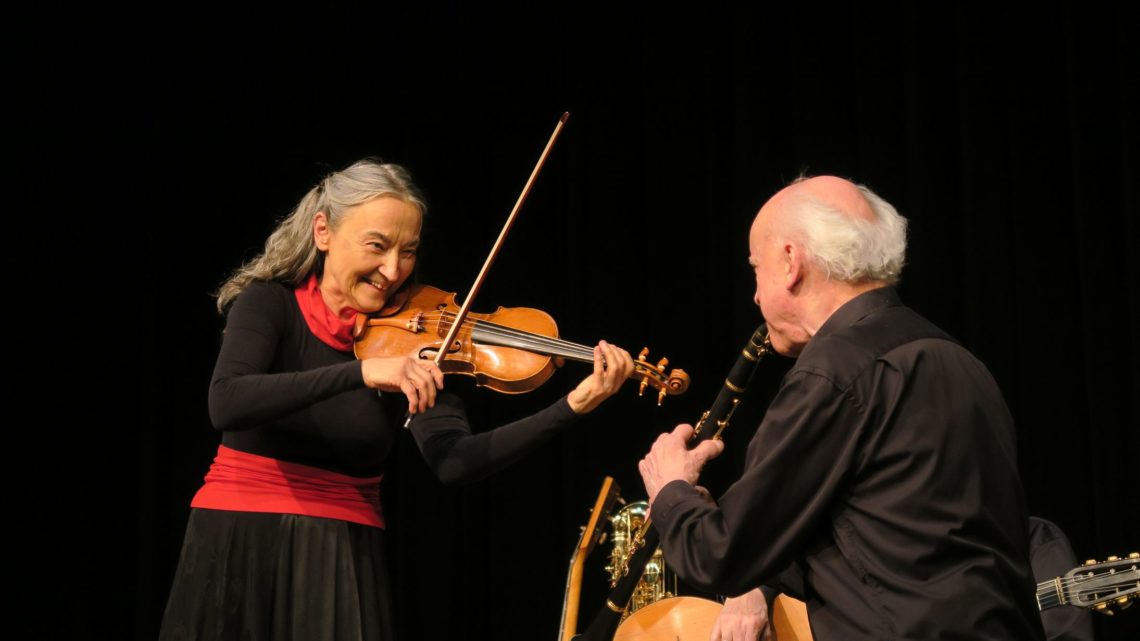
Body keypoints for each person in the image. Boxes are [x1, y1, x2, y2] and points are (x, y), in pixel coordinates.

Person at [158, 158, 635, 641]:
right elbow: (227, 402)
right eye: (377, 246)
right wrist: (361, 372)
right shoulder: (269, 303)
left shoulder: (419, 344)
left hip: (342, 553)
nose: (393, 270)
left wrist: (571, 405)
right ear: (323, 231)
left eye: (408, 252)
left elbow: (456, 462)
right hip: (237, 539)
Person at [638, 176, 1046, 641]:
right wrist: (747, 547)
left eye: (756, 269)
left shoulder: (832, 372)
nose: (754, 295)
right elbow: (894, 546)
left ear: (791, 262)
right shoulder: (960, 360)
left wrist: (669, 486)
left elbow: (721, 556)